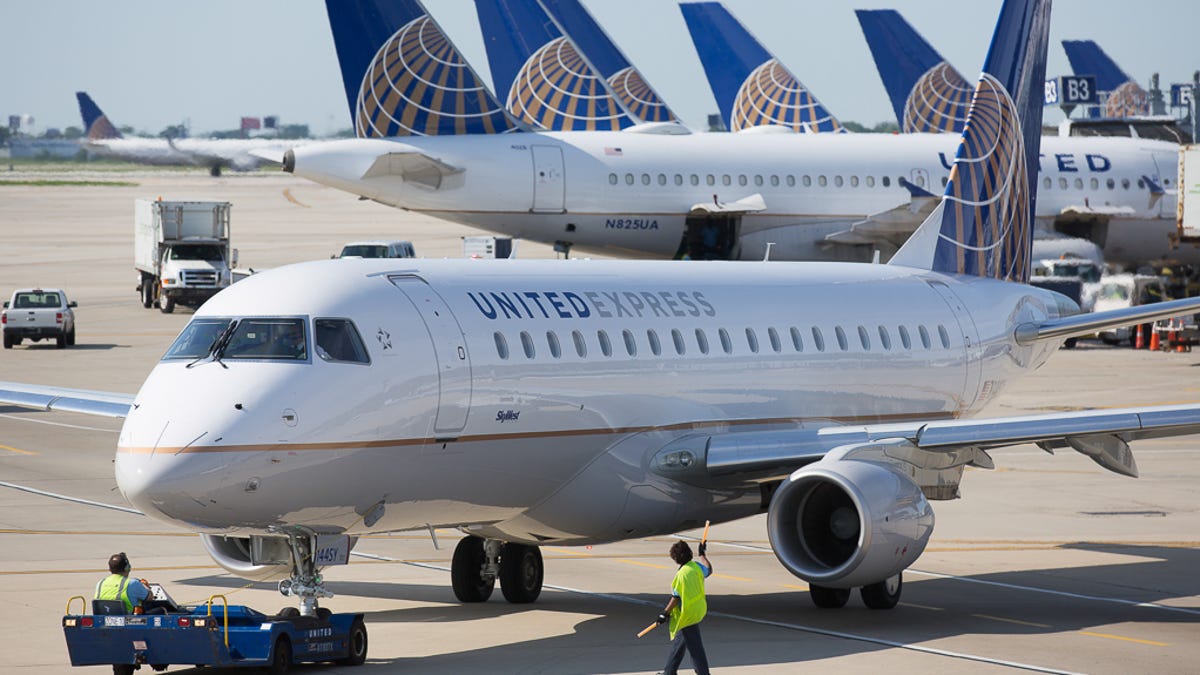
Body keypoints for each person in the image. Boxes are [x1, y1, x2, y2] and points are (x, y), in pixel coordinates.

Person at [654, 540, 712, 675]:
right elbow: (709, 570)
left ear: (676, 559)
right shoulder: (696, 567)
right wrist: (702, 554)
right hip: (698, 610)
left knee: (694, 647)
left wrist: (664, 613)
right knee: (681, 643)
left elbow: (676, 597)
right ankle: (669, 672)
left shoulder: (681, 575)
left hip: (686, 613)